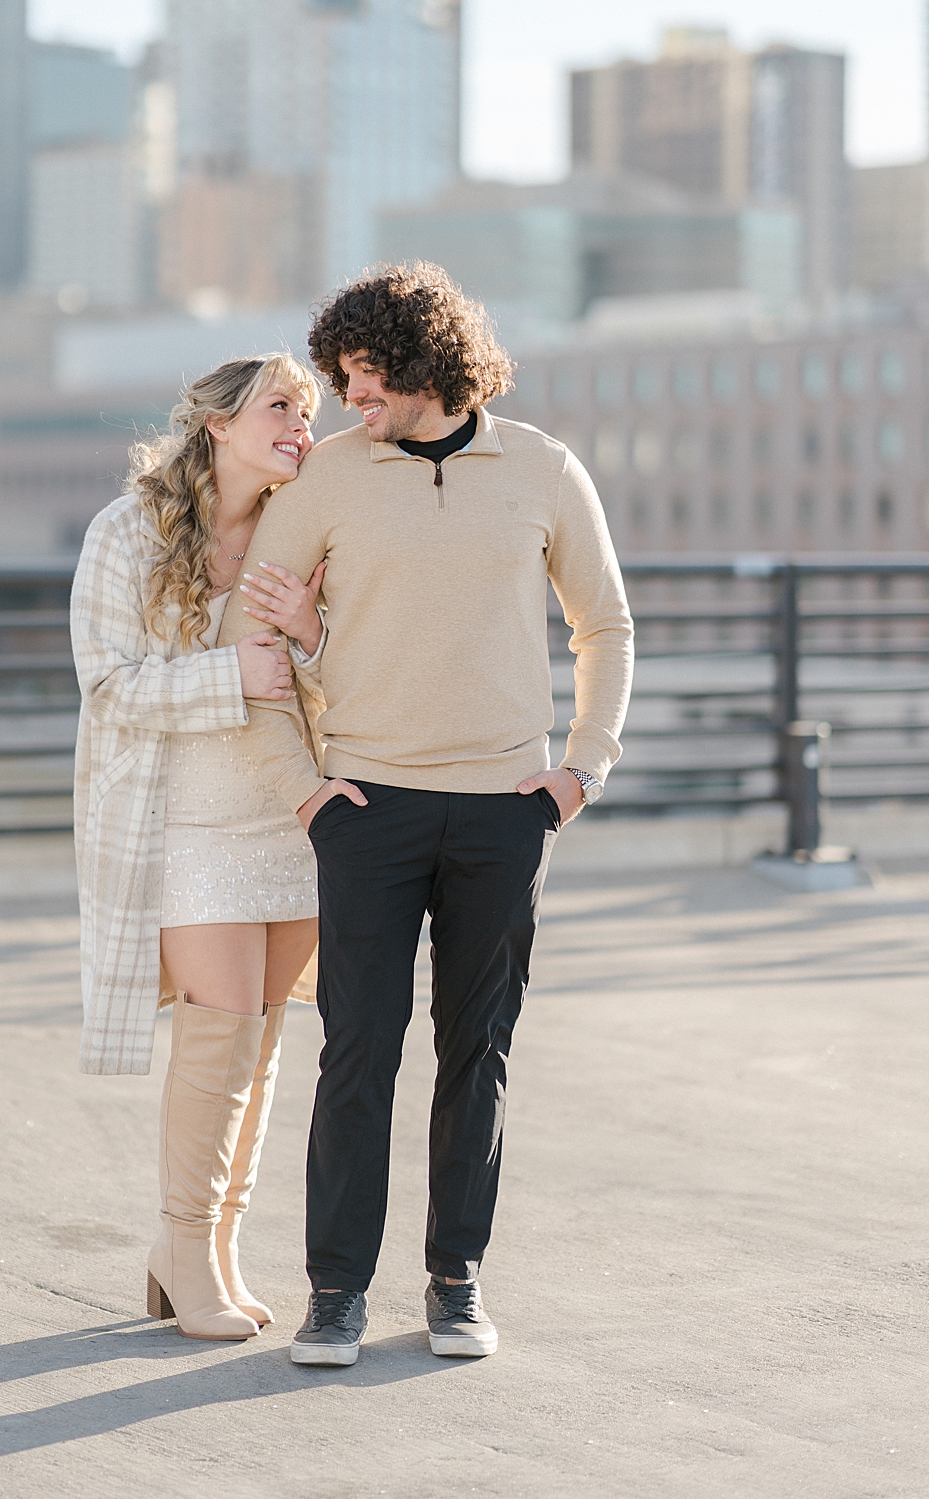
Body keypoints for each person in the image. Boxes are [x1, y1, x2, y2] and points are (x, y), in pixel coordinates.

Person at [220, 264, 634, 1365]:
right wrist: (303, 792)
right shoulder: (332, 481)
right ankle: (337, 1293)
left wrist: (580, 772)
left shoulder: (543, 468)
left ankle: (455, 1280)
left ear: (422, 365)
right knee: (357, 1048)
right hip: (368, 808)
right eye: (340, 379)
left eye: (363, 378)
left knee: (477, 1051)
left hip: (505, 810)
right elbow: (253, 641)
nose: (346, 402)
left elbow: (607, 627)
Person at [70, 352, 330, 1342]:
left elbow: (330, 665)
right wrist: (232, 675)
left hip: (284, 817)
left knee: (260, 1046)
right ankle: (183, 1242)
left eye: (310, 413)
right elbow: (110, 686)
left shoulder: (299, 531)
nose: (302, 428)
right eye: (282, 407)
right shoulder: (126, 531)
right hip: (179, 826)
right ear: (217, 424)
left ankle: (214, 1248)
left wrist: (308, 640)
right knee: (219, 1029)